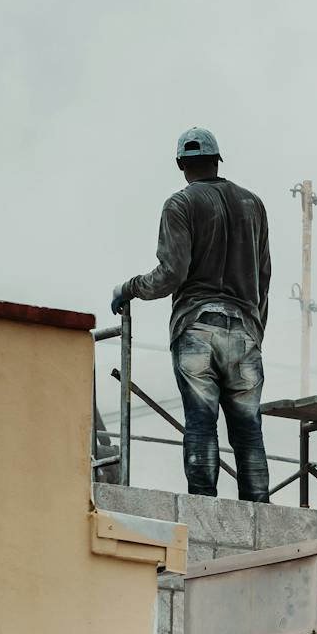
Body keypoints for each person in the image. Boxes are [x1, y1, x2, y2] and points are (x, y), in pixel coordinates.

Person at [112, 126, 273, 501]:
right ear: (218, 160)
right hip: (245, 330)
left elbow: (171, 274)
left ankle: (203, 506)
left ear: (181, 164)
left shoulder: (180, 205)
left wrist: (129, 288)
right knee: (248, 427)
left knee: (201, 421)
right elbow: (264, 275)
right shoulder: (253, 205)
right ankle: (260, 507)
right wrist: (256, 329)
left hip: (196, 326)